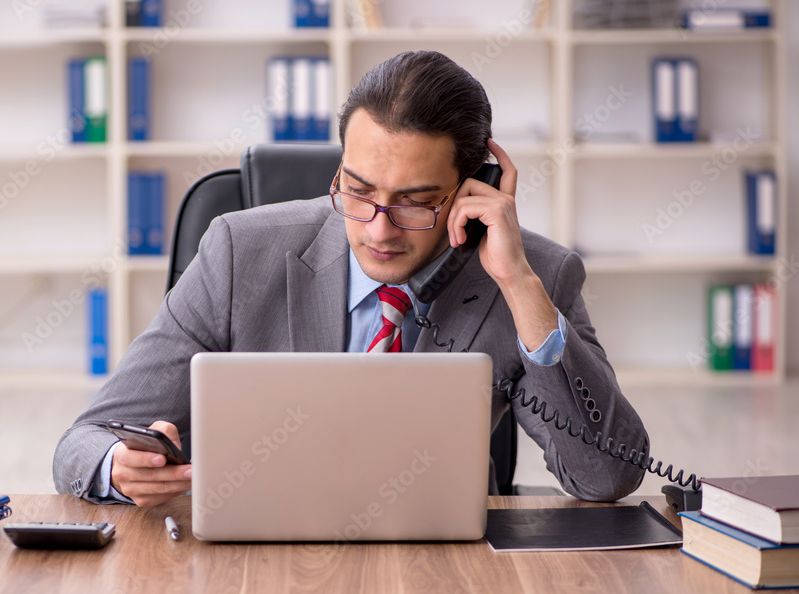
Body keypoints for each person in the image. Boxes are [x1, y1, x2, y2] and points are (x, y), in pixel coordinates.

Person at [53, 50, 649, 507]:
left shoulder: (536, 275)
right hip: (254, 562)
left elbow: (606, 476)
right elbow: (81, 442)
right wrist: (117, 464)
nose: (379, 229)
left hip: (448, 571)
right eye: (358, 191)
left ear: (477, 188)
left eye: (415, 202)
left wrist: (518, 287)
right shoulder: (239, 251)